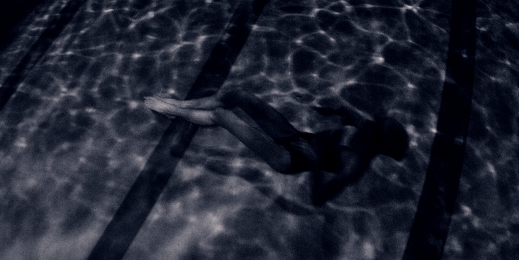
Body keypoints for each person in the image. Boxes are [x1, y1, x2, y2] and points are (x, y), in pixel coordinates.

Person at [144, 90, 408, 205]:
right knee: (239, 95)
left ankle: (172, 109)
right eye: (377, 121)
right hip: (296, 137)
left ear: (378, 144)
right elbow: (347, 112)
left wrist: (316, 162)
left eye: (377, 127)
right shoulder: (367, 129)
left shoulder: (354, 165)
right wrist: (322, 107)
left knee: (223, 116)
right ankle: (180, 106)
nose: (371, 122)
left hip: (288, 159)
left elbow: (318, 198)